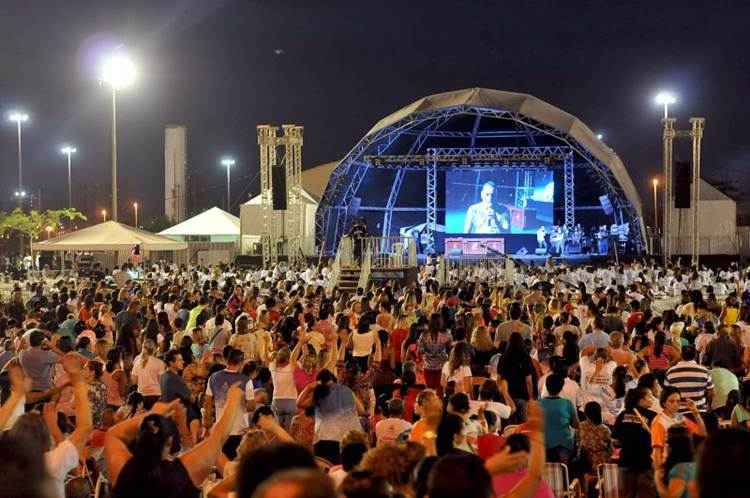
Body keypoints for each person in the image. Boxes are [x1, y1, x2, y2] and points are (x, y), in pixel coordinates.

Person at [106, 386, 244, 498]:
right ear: (169, 441)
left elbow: (113, 434)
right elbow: (217, 438)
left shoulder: (121, 468)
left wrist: (152, 413)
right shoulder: (181, 473)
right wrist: (233, 398)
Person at [203, 348, 255, 460]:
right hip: (239, 429)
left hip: (221, 428)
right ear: (241, 363)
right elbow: (251, 407)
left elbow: (207, 403)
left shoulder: (213, 377)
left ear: (227, 360)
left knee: (222, 463)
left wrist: (207, 424)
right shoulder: (246, 380)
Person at [612, 388, 658, 498]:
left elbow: (615, 440)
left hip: (626, 461)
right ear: (640, 400)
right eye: (650, 396)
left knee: (627, 495)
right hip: (645, 463)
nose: (652, 399)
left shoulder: (622, 415)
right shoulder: (653, 416)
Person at [538, 374, 578, 464]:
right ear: (561, 388)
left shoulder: (537, 405)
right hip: (563, 446)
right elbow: (576, 425)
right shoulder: (567, 404)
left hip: (542, 446)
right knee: (564, 470)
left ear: (546, 387)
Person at [664, 346, 713, 412]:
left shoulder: (670, 372)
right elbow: (711, 392)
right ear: (695, 356)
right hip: (700, 410)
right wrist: (709, 406)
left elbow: (666, 392)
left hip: (679, 412)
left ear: (681, 355)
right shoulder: (704, 371)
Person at [654, 426, 697, 498]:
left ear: (672, 446)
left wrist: (657, 480)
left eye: (666, 443)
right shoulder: (694, 465)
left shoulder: (680, 469)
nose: (664, 447)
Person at [131, 339, 166, 409]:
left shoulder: (137, 362)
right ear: (154, 349)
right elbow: (162, 382)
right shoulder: (159, 363)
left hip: (141, 396)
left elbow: (134, 381)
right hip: (156, 395)